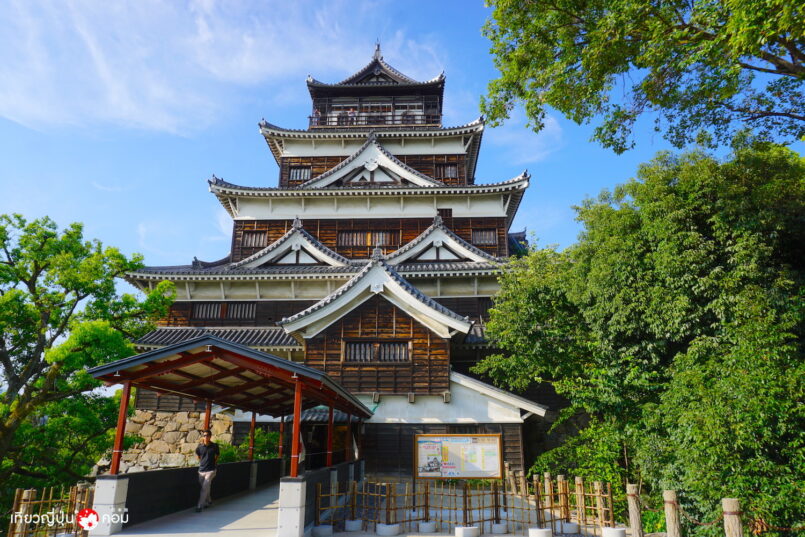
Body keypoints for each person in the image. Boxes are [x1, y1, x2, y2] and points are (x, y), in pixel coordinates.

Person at [195, 429, 219, 513]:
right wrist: (202, 462)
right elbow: (198, 456)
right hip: (201, 470)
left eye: (207, 435)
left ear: (210, 436)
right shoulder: (200, 447)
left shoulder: (215, 446)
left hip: (211, 470)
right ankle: (209, 501)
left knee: (204, 487)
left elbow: (217, 455)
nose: (206, 437)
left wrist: (213, 463)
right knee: (205, 487)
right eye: (204, 435)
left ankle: (199, 506)